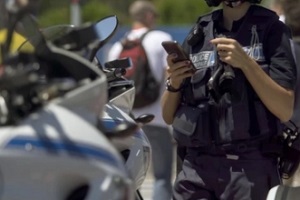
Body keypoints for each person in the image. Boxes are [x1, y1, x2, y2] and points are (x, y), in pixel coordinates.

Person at [161, 0, 297, 200]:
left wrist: (246, 64)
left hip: (249, 169)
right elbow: (168, 116)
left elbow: (285, 109)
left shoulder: (273, 30)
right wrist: (174, 81)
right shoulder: (200, 31)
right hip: (196, 169)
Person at [107, 1, 174, 200]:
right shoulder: (161, 39)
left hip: (125, 121)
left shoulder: (118, 46)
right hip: (156, 117)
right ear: (149, 16)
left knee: (126, 178)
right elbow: (171, 74)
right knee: (162, 176)